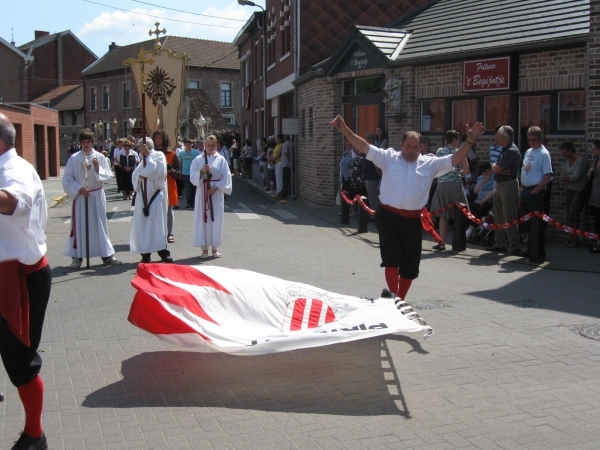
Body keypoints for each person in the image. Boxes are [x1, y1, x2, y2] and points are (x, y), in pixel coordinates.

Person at [331, 114, 483, 300]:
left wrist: (469, 141)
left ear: (421, 147)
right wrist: (345, 130)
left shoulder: (430, 163)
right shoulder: (389, 158)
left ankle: (400, 300)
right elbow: (365, 147)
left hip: (412, 220)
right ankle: (393, 296)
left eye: (415, 147)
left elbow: (454, 159)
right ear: (401, 145)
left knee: (410, 265)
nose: (411, 150)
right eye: (408, 146)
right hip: (388, 216)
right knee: (391, 258)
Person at [0, 113, 52, 450]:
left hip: (19, 277)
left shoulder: (15, 169)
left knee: (20, 361)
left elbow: (14, 204)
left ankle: (35, 434)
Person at [62, 128, 122, 268]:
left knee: (100, 225)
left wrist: (97, 169)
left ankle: (107, 256)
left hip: (96, 195)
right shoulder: (74, 158)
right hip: (81, 196)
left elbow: (108, 176)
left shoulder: (100, 157)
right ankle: (77, 257)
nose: (86, 144)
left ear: (93, 142)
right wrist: (79, 189)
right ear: (80, 142)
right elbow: (67, 179)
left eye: (88, 141)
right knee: (80, 225)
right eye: (83, 141)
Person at [130, 137, 173, 263]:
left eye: (141, 147)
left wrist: (148, 157)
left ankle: (163, 252)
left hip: (155, 195)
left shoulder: (158, 155)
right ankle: (145, 253)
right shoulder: (141, 158)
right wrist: (141, 174)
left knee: (158, 225)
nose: (140, 150)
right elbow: (136, 175)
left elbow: (157, 172)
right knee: (144, 225)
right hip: (143, 196)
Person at [190, 135, 232, 258]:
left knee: (216, 219)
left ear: (216, 145)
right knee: (203, 219)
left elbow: (226, 177)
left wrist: (216, 187)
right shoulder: (198, 159)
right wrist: (202, 171)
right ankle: (204, 249)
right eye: (208, 145)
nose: (210, 147)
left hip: (216, 193)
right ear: (205, 145)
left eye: (213, 145)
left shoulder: (221, 160)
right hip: (203, 191)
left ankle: (214, 248)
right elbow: (192, 177)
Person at [429, 130, 471, 251]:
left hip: (443, 184)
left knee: (443, 215)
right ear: (454, 140)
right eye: (458, 140)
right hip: (457, 184)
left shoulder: (440, 151)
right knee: (460, 213)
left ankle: (441, 243)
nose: (459, 142)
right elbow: (467, 171)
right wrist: (457, 172)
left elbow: (436, 166)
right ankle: (459, 244)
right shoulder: (459, 151)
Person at [485, 125, 522, 255]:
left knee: (509, 215)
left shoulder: (511, 151)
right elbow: (494, 167)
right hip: (499, 184)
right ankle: (500, 243)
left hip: (508, 185)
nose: (496, 138)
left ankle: (515, 245)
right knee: (498, 215)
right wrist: (497, 167)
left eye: (498, 136)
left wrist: (496, 167)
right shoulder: (504, 150)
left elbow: (494, 169)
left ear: (503, 137)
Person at [518, 126, 553, 257]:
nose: (532, 142)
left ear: (540, 139)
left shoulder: (544, 154)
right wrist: (522, 188)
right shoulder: (528, 152)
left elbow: (547, 177)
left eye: (534, 139)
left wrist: (534, 191)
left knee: (536, 223)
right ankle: (530, 247)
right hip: (525, 190)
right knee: (527, 222)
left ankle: (537, 250)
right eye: (529, 139)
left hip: (535, 191)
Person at [559, 140, 588, 247]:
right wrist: (569, 176)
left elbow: (576, 177)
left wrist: (569, 176)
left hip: (579, 191)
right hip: (569, 190)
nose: (563, 155)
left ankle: (576, 239)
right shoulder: (568, 161)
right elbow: (562, 175)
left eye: (564, 152)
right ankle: (570, 237)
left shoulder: (581, 161)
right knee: (570, 215)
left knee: (574, 214)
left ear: (570, 150)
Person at [153, 130, 180, 243]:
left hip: (169, 184)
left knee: (169, 209)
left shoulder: (172, 154)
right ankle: (157, 233)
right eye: (156, 138)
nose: (157, 140)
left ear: (164, 139)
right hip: (155, 185)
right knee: (155, 210)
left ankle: (170, 233)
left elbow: (178, 174)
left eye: (159, 138)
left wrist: (171, 170)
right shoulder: (151, 153)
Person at [465, 162, 495, 241]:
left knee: (479, 211)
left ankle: (470, 231)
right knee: (470, 209)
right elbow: (475, 191)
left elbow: (494, 191)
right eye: (485, 172)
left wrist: (483, 201)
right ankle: (468, 228)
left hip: (489, 200)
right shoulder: (480, 178)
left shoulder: (494, 178)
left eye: (489, 171)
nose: (488, 173)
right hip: (479, 198)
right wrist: (483, 181)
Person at [179, 138, 200, 209]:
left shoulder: (195, 153)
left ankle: (195, 203)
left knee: (195, 188)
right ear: (184, 145)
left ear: (192, 145)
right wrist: (180, 173)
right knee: (188, 189)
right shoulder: (181, 153)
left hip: (194, 173)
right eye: (186, 144)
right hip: (185, 174)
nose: (188, 146)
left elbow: (198, 163)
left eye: (189, 144)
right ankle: (189, 203)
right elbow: (180, 163)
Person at [363, 133, 382, 212]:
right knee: (371, 196)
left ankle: (375, 215)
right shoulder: (371, 149)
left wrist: (380, 176)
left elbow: (376, 164)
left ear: (369, 140)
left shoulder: (373, 149)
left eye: (366, 139)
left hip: (372, 177)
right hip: (370, 177)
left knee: (373, 197)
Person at [587, 140, 600, 253]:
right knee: (597, 222)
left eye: (593, 149)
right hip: (595, 196)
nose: (592, 151)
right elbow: (588, 176)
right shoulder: (595, 161)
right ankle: (597, 243)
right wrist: (590, 171)